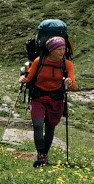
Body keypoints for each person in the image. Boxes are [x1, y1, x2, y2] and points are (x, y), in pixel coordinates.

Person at [22, 36, 73, 166]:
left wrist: (69, 82)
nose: (62, 52)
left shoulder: (67, 64)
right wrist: (22, 78)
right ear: (51, 50)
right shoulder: (38, 61)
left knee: (50, 128)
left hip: (55, 100)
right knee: (38, 125)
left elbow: (73, 85)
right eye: (59, 49)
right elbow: (29, 78)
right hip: (38, 98)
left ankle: (45, 155)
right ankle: (41, 155)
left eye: (63, 49)